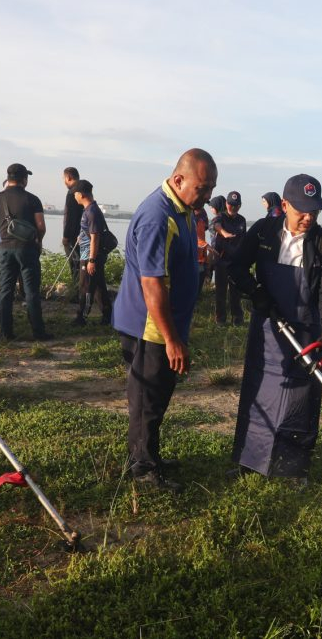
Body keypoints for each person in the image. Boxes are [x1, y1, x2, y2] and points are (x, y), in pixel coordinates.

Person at [111, 148, 218, 493]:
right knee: (147, 398)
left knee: (158, 396)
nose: (207, 196)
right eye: (202, 188)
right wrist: (172, 340)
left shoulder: (183, 208)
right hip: (150, 327)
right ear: (178, 179)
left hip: (167, 324)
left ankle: (148, 455)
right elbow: (152, 284)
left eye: (211, 188)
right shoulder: (158, 215)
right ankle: (143, 470)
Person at [227, 173, 322, 482]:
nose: (308, 217)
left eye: (314, 211)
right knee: (259, 393)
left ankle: (290, 468)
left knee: (299, 401)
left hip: (305, 330)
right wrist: (256, 292)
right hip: (267, 325)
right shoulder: (264, 232)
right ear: (285, 204)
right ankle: (250, 459)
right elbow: (235, 266)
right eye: (302, 210)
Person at [0, 163, 50, 341]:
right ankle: (38, 332)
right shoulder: (32, 199)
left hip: (5, 249)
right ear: (24, 179)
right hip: (27, 249)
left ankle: (6, 332)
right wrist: (38, 241)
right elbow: (41, 226)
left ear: (8, 178)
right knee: (31, 291)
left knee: (5, 291)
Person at [72, 181, 112, 326]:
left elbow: (95, 237)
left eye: (75, 194)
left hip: (90, 256)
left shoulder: (92, 212)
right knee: (99, 287)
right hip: (88, 254)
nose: (74, 196)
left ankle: (81, 317)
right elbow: (89, 232)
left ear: (80, 194)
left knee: (86, 287)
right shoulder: (88, 210)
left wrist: (92, 260)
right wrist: (81, 235)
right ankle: (108, 316)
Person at [211, 190, 247, 324]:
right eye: (231, 204)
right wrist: (224, 233)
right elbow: (216, 225)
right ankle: (220, 320)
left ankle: (237, 319)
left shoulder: (242, 220)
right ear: (226, 204)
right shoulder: (220, 217)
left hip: (236, 262)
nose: (233, 207)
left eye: (236, 205)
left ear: (240, 205)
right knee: (220, 292)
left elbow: (244, 240)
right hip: (221, 261)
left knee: (236, 292)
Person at [61, 167, 84, 302]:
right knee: (81, 264)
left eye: (64, 178)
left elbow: (69, 218)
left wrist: (65, 236)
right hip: (83, 235)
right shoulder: (84, 190)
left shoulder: (72, 193)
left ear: (68, 177)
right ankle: (82, 292)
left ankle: (76, 294)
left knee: (75, 265)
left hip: (73, 237)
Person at [193, 205, 210, 294]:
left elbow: (202, 236)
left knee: (197, 293)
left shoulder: (202, 213)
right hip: (190, 260)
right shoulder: (187, 214)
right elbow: (192, 236)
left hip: (201, 260)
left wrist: (206, 261)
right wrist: (206, 245)